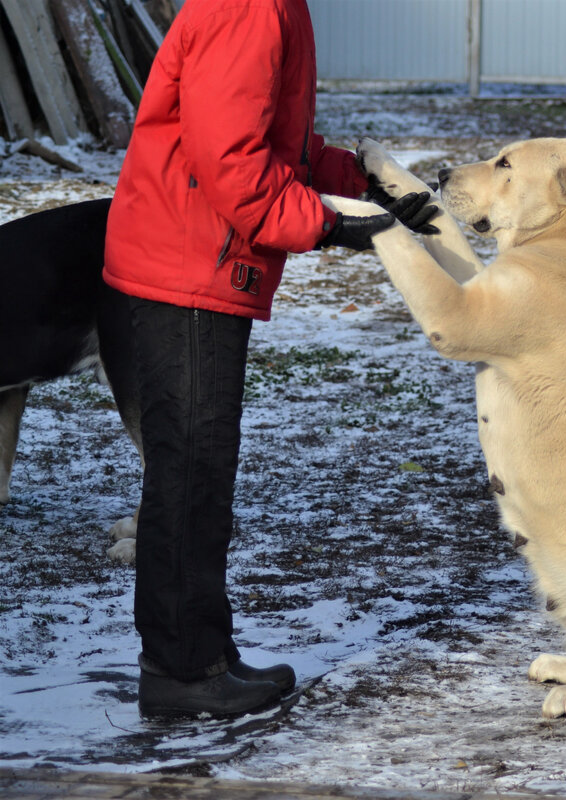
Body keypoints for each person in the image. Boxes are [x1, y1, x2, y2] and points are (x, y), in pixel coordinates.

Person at [103, 0, 433, 719]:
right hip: (187, 263)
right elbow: (233, 164)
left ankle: (196, 657)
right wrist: (325, 224)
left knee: (195, 469)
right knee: (191, 470)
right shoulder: (250, 6)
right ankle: (183, 670)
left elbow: (275, 143)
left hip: (195, 257)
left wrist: (358, 181)